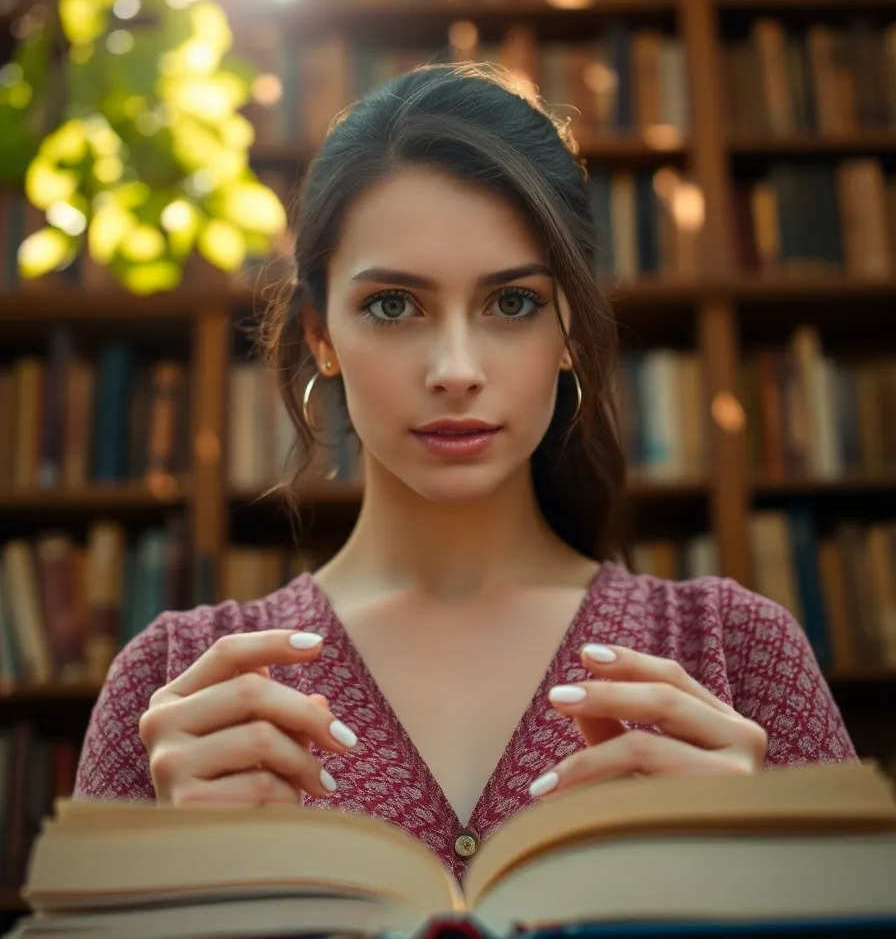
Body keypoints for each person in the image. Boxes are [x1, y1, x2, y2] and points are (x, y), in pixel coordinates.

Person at [74, 64, 855, 881]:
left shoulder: (737, 653)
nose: (455, 368)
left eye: (511, 303)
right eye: (393, 305)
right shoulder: (174, 686)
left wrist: (767, 877)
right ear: (321, 336)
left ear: (570, 332)